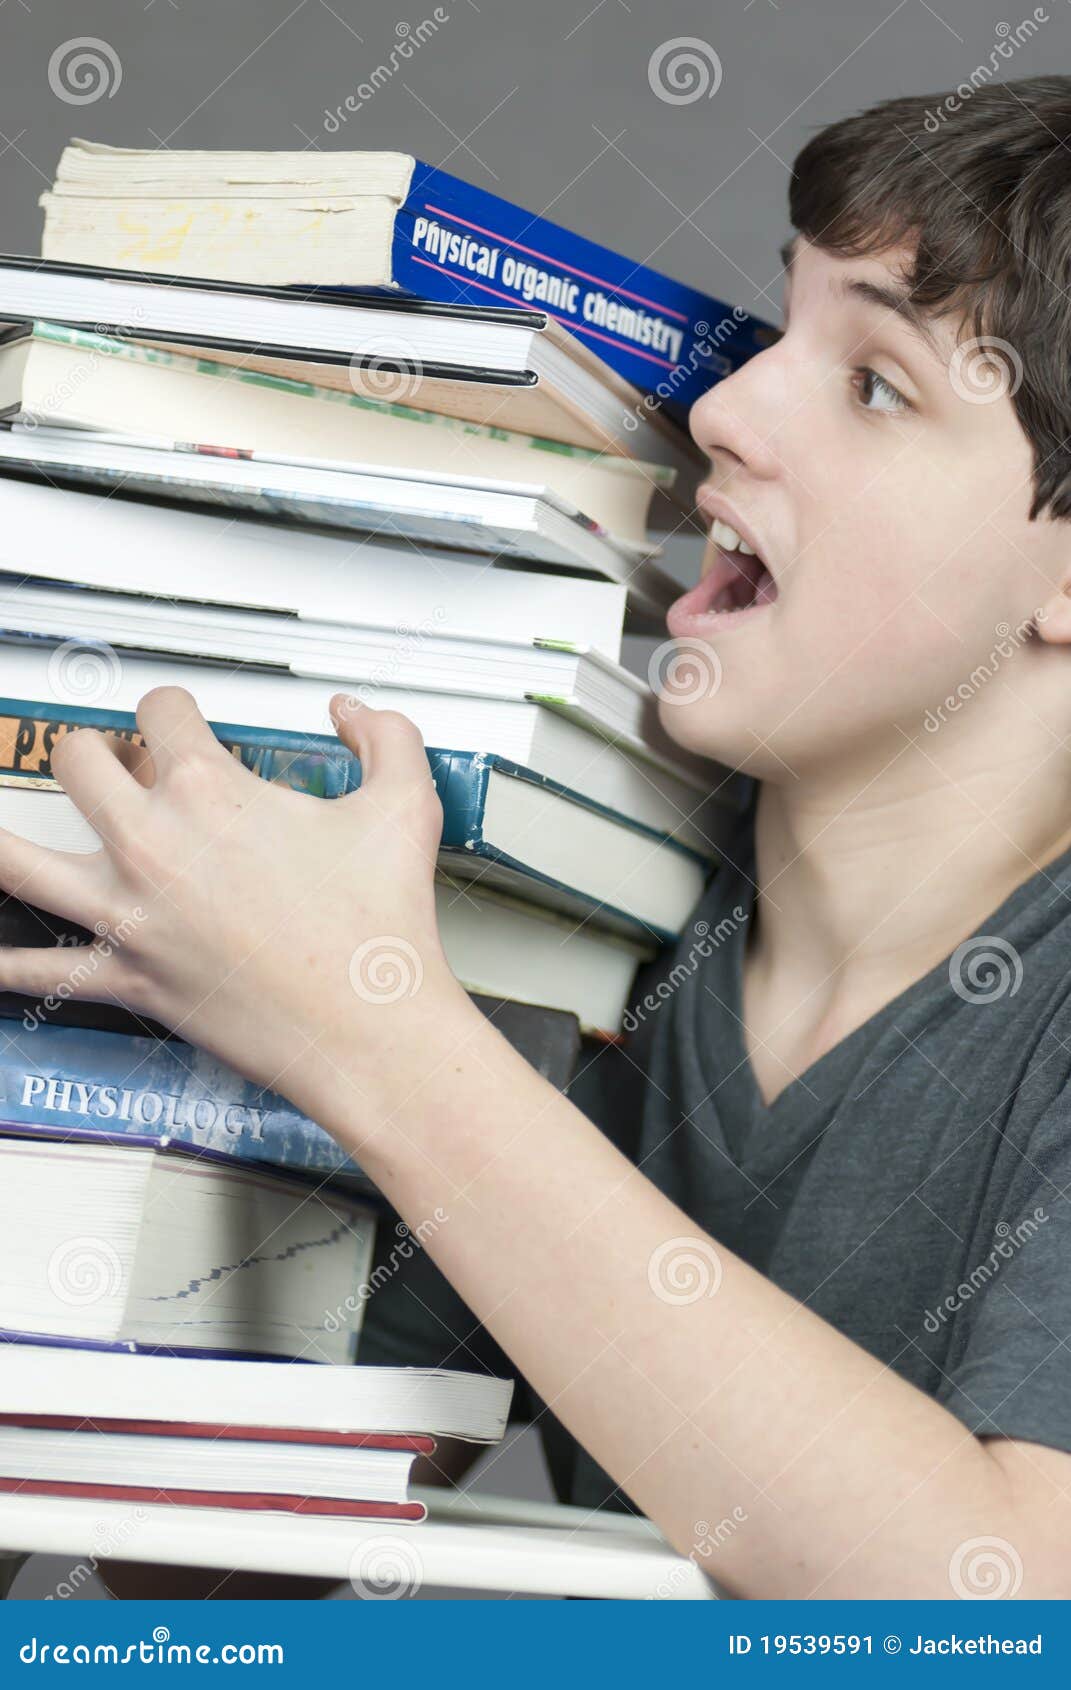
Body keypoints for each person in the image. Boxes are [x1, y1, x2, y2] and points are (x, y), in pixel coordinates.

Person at [7, 73, 1071, 1601]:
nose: (722, 409)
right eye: (782, 329)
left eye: (877, 384)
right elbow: (229, 1569)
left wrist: (373, 1037)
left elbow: (1014, 1596)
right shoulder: (581, 903)